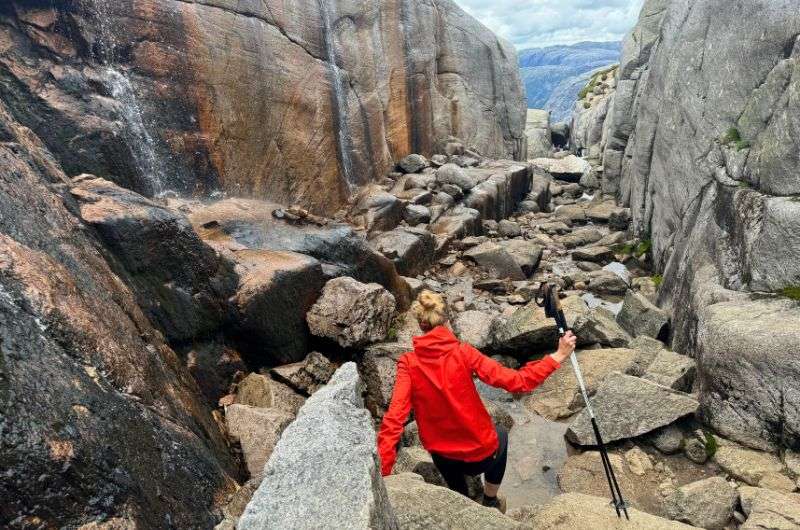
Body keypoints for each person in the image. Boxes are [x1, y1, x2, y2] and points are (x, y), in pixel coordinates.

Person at [377, 290, 577, 513]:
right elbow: (517, 382)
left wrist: (382, 475)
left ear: (421, 326)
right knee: (500, 434)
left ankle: (463, 503)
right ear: (448, 321)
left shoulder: (408, 363)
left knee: (450, 472)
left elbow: (394, 420)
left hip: (442, 456)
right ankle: (490, 499)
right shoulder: (463, 352)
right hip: (479, 454)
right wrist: (558, 355)